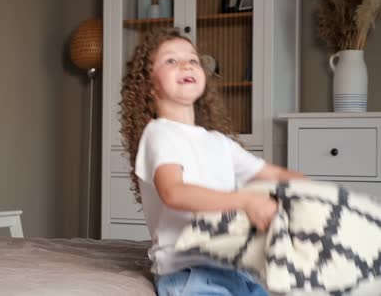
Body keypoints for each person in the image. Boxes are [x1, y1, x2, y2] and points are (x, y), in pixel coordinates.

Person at [119, 27, 304, 296]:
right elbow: (174, 192)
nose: (185, 64)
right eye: (171, 60)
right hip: (191, 273)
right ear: (148, 85)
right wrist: (246, 201)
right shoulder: (159, 133)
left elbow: (270, 173)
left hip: (238, 270)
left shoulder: (219, 142)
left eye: (193, 60)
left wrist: (319, 193)